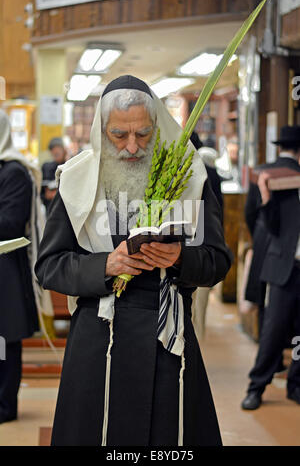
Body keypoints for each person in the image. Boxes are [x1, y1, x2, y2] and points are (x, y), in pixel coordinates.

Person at [35, 75, 231, 446]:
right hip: (99, 337)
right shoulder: (77, 181)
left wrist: (178, 259)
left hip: (166, 338)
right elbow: (49, 266)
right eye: (119, 135)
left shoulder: (188, 177)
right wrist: (105, 266)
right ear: (101, 131)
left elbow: (217, 261)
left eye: (142, 134)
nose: (131, 147)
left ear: (156, 126)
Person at [242, 125, 300, 410]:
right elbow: (273, 226)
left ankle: (296, 385)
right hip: (284, 268)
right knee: (273, 331)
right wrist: (266, 198)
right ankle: (256, 386)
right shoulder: (282, 183)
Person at [0, 111, 44, 423]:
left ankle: (4, 406)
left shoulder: (14, 171)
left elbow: (11, 224)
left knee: (4, 341)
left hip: (5, 271)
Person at [190, 132, 224, 341]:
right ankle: (197, 342)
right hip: (203, 246)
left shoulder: (174, 169)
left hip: (181, 246)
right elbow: (219, 209)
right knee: (199, 306)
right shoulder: (210, 172)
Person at [41, 137, 66, 212]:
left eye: (58, 147)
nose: (55, 151)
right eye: (53, 149)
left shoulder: (69, 167)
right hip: (50, 209)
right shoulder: (46, 168)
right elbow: (42, 192)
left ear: (63, 149)